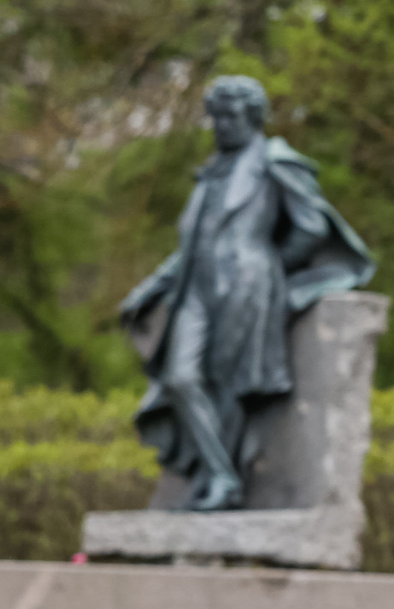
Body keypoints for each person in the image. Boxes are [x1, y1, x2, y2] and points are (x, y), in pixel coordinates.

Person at [118, 76, 375, 510]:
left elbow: (311, 226)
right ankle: (219, 473)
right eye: (214, 117)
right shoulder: (211, 173)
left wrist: (265, 264)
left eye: (230, 117)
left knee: (230, 384)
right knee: (180, 377)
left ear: (253, 118)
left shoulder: (274, 161)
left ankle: (222, 483)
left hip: (246, 283)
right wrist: (150, 287)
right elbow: (191, 244)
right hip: (196, 290)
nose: (220, 126)